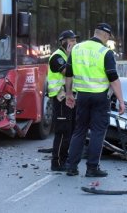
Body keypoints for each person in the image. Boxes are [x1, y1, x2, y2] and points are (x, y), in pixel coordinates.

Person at [64, 23, 126, 178]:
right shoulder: (105, 52)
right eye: (108, 37)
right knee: (98, 132)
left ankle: (71, 167)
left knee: (79, 131)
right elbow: (113, 78)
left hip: (82, 96)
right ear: (105, 35)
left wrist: (69, 94)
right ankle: (92, 168)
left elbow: (69, 74)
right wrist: (121, 101)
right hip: (100, 97)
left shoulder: (76, 49)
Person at [48, 30, 79, 172]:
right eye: (71, 40)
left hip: (69, 98)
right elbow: (66, 72)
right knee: (62, 131)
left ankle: (64, 159)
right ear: (63, 42)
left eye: (75, 40)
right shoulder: (57, 57)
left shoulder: (68, 56)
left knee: (70, 130)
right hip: (60, 98)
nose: (74, 43)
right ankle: (57, 162)